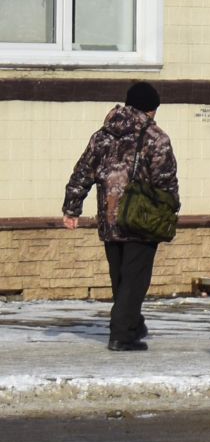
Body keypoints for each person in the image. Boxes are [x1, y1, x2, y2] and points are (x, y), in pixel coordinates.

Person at [60, 82, 179, 351]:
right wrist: (171, 210)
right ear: (151, 109)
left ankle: (133, 323)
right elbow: (166, 182)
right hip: (141, 218)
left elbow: (82, 173)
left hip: (109, 218)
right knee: (135, 279)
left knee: (122, 278)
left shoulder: (102, 135)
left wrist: (72, 208)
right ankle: (122, 335)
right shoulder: (156, 138)